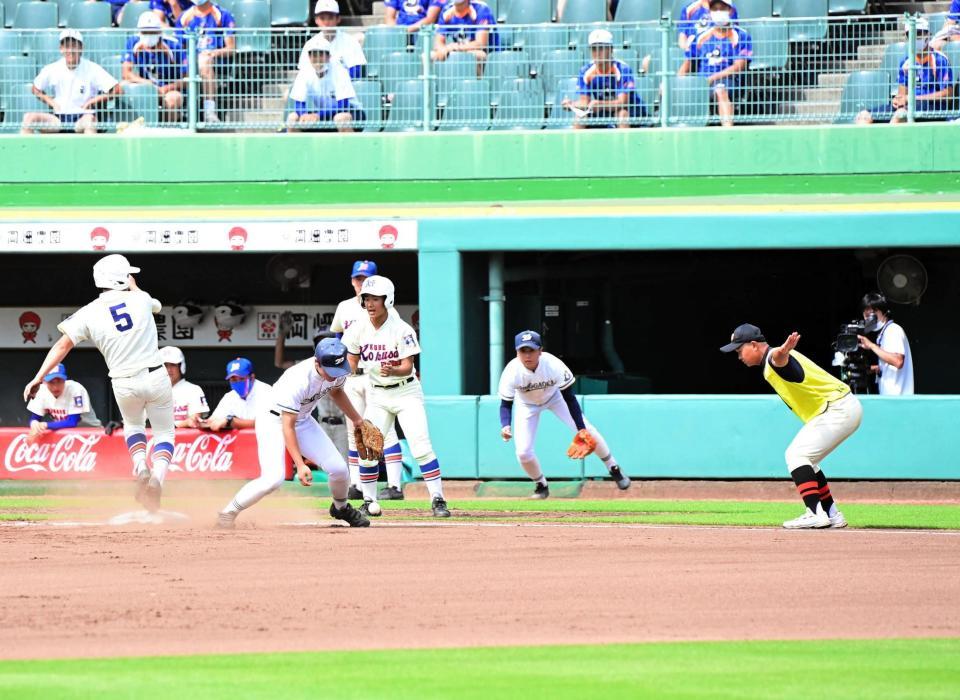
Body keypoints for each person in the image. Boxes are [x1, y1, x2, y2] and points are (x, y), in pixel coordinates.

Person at [22, 255, 174, 512]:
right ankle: (158, 477)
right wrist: (134, 286)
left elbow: (62, 345)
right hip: (156, 375)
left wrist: (38, 378)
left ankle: (139, 465)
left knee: (134, 425)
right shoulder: (141, 298)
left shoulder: (89, 311)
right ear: (121, 278)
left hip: (123, 382)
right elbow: (154, 304)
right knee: (164, 433)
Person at [216, 339, 371, 529]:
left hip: (302, 419)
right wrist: (300, 464)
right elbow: (287, 425)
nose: (334, 375)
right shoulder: (298, 379)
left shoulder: (337, 366)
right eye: (330, 371)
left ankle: (341, 508)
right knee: (273, 479)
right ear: (317, 363)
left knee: (339, 469)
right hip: (273, 420)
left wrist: (357, 419)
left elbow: (336, 391)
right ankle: (227, 513)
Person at [720, 324, 862, 529]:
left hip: (837, 408)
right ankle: (831, 513)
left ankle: (814, 513)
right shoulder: (770, 361)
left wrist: (782, 351)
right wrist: (782, 352)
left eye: (739, 350)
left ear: (753, 345)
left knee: (796, 455)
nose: (738, 355)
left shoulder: (772, 359)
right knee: (807, 461)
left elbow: (778, 358)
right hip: (844, 407)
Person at [343, 275, 451, 518]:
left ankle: (438, 499)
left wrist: (393, 369)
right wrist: (342, 373)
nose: (370, 304)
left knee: (421, 446)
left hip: (406, 391)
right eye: (366, 299)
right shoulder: (358, 327)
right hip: (377, 394)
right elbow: (351, 360)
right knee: (368, 448)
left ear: (387, 300)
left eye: (375, 299)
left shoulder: (401, 328)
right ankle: (368, 500)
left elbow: (407, 365)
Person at [498, 330, 630, 499]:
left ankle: (614, 468)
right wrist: (505, 425)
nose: (527, 355)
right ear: (517, 352)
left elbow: (570, 398)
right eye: (523, 350)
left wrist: (581, 429)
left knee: (588, 430)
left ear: (540, 350)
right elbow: (505, 404)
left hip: (555, 398)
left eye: (531, 350)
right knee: (523, 452)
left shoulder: (553, 365)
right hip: (526, 404)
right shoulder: (511, 371)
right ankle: (541, 485)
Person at [330, 261, 404, 501]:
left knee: (385, 430)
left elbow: (399, 340)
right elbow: (338, 338)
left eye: (366, 278)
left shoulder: (388, 310)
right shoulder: (344, 307)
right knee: (355, 432)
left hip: (375, 375)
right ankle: (358, 486)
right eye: (358, 279)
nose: (361, 283)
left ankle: (395, 486)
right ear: (352, 281)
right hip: (351, 376)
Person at [21, 30, 122, 136]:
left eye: (74, 46)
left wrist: (93, 101)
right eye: (66, 46)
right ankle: (22, 152)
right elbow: (35, 88)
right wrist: (51, 102)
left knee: (90, 122)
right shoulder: (52, 68)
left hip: (82, 117)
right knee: (29, 118)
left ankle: (91, 152)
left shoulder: (92, 68)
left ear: (81, 48)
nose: (70, 50)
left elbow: (117, 89)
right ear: (61, 49)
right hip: (58, 119)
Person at [677, 0, 751, 128]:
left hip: (728, 80)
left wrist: (712, 78)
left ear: (730, 11)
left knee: (720, 90)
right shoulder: (700, 37)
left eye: (722, 8)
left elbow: (739, 66)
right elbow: (688, 63)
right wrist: (675, 83)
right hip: (702, 80)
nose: (718, 12)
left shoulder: (741, 35)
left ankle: (728, 134)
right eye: (714, 9)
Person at [562, 29, 644, 130]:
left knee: (622, 114)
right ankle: (575, 145)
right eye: (593, 49)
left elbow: (623, 102)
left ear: (610, 49)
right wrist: (572, 104)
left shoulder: (622, 69)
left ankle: (625, 145)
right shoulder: (586, 71)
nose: (597, 53)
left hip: (631, 111)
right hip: (603, 112)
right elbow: (585, 102)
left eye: (601, 48)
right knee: (580, 116)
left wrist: (600, 105)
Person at [176, 0, 235, 124]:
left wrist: (213, 53)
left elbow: (231, 48)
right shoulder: (184, 17)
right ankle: (186, 115)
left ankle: (209, 111)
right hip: (190, 62)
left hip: (216, 62)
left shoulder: (222, 15)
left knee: (205, 61)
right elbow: (178, 48)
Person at [122, 12, 187, 123]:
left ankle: (166, 132)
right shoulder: (133, 42)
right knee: (122, 86)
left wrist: (164, 89)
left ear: (160, 32)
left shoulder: (174, 45)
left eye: (152, 32)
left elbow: (186, 79)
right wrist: (147, 84)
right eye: (145, 32)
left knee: (172, 100)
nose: (148, 35)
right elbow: (126, 73)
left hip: (169, 88)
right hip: (145, 87)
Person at [287, 38, 363, 133]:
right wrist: (303, 115)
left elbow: (343, 105)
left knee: (341, 118)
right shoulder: (304, 72)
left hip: (351, 112)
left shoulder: (340, 71)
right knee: (292, 118)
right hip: (322, 114)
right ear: (309, 57)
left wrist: (318, 115)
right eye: (314, 55)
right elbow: (299, 102)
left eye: (321, 54)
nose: (317, 58)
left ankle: (350, 148)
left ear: (329, 57)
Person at [26, 363, 101, 443]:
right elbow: (35, 418)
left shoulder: (76, 389)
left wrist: (44, 425)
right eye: (51, 382)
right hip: (65, 437)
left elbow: (72, 422)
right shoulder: (41, 391)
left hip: (92, 436)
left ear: (65, 379)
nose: (56, 387)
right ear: (44, 381)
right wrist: (34, 424)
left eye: (59, 381)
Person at [857, 293, 914, 396]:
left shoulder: (893, 330)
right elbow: (890, 363)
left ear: (884, 312)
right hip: (891, 399)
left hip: (897, 400)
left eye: (873, 314)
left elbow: (898, 361)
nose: (869, 319)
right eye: (866, 315)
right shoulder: (885, 333)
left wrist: (872, 346)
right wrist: (875, 368)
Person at [298, 0, 367, 80]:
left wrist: (339, 77)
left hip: (344, 87)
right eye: (322, 18)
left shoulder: (350, 41)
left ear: (338, 19)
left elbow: (359, 69)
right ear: (316, 20)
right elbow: (303, 72)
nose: (326, 22)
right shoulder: (310, 44)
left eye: (330, 18)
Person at [203, 357, 274, 431]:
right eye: (233, 379)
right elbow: (214, 420)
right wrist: (201, 422)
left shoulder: (267, 392)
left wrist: (231, 421)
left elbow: (269, 423)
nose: (237, 382)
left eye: (241, 378)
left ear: (252, 377)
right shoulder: (230, 396)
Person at [431, 0, 497, 76]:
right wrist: (443, 49)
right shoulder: (447, 10)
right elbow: (438, 43)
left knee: (479, 55)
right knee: (427, 56)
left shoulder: (481, 8)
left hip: (488, 53)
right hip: (462, 49)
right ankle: (431, 87)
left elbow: (481, 43)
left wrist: (454, 47)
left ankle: (476, 86)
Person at [160, 346, 209, 428]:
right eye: (165, 365)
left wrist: (173, 428)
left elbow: (195, 420)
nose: (169, 369)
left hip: (185, 440)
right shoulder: (151, 390)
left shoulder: (193, 390)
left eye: (173, 365)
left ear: (181, 367)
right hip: (153, 439)